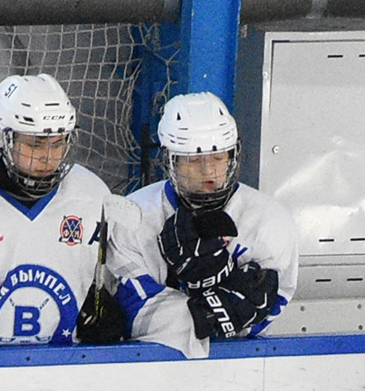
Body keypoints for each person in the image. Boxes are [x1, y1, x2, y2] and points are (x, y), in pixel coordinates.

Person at [0, 73, 143, 350]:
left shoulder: (90, 192)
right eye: (35, 144)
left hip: (67, 368)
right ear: (0, 135)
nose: (48, 157)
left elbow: (112, 274)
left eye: (57, 143)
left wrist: (108, 303)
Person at [117, 92, 297, 359]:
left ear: (232, 155)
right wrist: (209, 311)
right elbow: (132, 310)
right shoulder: (134, 214)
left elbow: (269, 308)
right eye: (194, 160)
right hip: (147, 367)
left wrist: (227, 307)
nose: (208, 171)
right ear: (171, 161)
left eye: (217, 157)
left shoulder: (269, 220)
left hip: (237, 371)